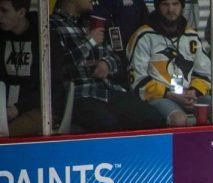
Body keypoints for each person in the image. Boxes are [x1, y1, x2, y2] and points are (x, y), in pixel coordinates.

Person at [128, 0, 213, 125]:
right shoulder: (143, 36)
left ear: (182, 6)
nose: (171, 10)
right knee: (179, 120)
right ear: (157, 7)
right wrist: (170, 94)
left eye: (175, 4)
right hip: (158, 97)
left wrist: (194, 91)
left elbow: (207, 72)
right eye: (165, 5)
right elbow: (137, 81)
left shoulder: (190, 35)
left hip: (190, 96)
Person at [51, 0, 164, 132]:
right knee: (109, 124)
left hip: (108, 89)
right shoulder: (52, 25)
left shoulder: (90, 23)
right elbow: (56, 66)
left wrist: (106, 64)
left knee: (154, 118)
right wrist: (89, 41)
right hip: (79, 94)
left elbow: (115, 58)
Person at [1, 0, 62, 136]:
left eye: (4, 11)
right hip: (6, 107)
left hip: (40, 107)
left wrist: (19, 108)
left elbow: (52, 85)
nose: (0, 15)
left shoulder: (44, 37)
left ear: (21, 12)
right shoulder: (2, 37)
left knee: (7, 133)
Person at [91, 0, 151, 87]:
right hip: (102, 64)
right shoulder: (94, 4)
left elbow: (146, 29)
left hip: (132, 58)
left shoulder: (137, 3)